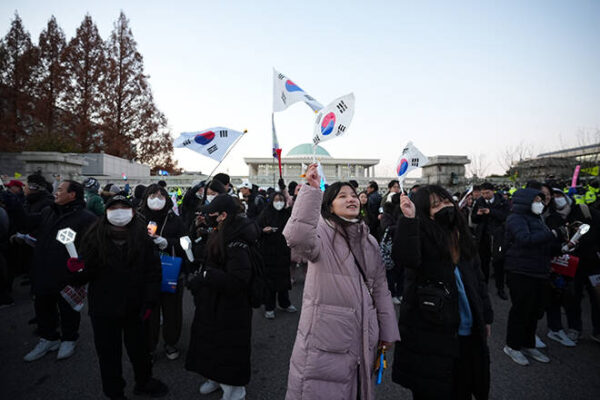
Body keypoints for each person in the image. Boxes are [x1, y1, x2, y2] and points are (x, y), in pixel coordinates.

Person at [283, 164, 400, 400]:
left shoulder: (369, 241)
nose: (351, 199)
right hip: (325, 338)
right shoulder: (321, 234)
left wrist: (387, 330)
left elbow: (380, 289)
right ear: (329, 206)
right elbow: (295, 238)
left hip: (364, 335)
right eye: (342, 196)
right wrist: (311, 191)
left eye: (353, 195)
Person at [391, 185, 493, 400]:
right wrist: (409, 219)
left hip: (467, 331)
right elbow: (405, 258)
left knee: (464, 388)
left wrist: (486, 316)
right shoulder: (419, 234)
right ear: (424, 211)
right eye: (436, 205)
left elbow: (478, 281)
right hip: (431, 333)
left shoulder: (462, 236)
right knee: (434, 390)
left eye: (447, 202)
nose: (445, 208)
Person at [73, 195, 168, 399]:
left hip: (136, 307)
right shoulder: (93, 237)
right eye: (113, 207)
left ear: (132, 212)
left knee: (140, 351)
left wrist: (150, 301)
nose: (118, 212)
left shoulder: (142, 237)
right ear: (106, 212)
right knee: (108, 355)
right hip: (104, 309)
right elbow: (83, 275)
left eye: (123, 207)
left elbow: (153, 272)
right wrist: (77, 269)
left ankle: (144, 382)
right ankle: (114, 392)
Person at [186, 194, 259, 400]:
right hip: (213, 302)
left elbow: (238, 280)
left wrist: (207, 275)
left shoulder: (238, 240)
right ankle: (215, 378)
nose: (208, 219)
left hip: (231, 307)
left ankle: (234, 391)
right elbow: (210, 256)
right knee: (211, 344)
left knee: (228, 349)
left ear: (224, 215)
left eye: (212, 215)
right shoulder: (222, 230)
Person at [15, 181, 97, 361]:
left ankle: (69, 338)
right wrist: (14, 203)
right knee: (43, 306)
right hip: (42, 270)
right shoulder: (47, 212)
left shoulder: (86, 218)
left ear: (72, 195)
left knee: (68, 308)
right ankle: (48, 338)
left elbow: (92, 247)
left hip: (67, 275)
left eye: (60, 189)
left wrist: (82, 266)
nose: (56, 192)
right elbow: (27, 222)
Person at [503, 188, 560, 366]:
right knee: (521, 310)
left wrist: (560, 246)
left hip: (539, 270)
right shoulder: (515, 218)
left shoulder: (538, 218)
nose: (540, 203)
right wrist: (551, 234)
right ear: (526, 201)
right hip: (520, 271)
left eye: (541, 200)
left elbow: (542, 242)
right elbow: (524, 239)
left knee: (535, 310)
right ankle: (512, 346)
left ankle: (528, 343)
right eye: (536, 200)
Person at [138, 183, 186, 361]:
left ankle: (171, 342)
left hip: (170, 269)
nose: (156, 199)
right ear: (145, 198)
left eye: (160, 196)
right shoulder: (138, 218)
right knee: (149, 310)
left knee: (172, 310)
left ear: (167, 199)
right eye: (152, 196)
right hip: (145, 272)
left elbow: (185, 242)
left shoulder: (175, 219)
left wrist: (168, 242)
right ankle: (149, 346)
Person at [546, 188, 600, 344]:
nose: (557, 199)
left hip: (593, 262)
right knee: (572, 297)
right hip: (569, 264)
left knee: (596, 297)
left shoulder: (583, 210)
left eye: (559, 195)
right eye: (554, 196)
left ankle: (597, 330)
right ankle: (574, 328)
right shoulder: (552, 217)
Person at [256, 192, 296, 319]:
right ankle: (269, 307)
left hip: (283, 251)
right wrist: (263, 230)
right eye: (276, 200)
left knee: (283, 279)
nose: (279, 202)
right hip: (268, 252)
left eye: (281, 200)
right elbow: (256, 229)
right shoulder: (265, 214)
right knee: (269, 282)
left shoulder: (287, 214)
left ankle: (285, 303)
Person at [471, 182, 510, 300]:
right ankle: (484, 286)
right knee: (484, 262)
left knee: (498, 262)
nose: (485, 195)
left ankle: (500, 288)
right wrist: (478, 214)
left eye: (487, 193)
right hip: (483, 236)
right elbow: (474, 219)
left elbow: (506, 216)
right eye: (482, 193)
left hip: (498, 235)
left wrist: (490, 212)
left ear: (493, 191)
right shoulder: (479, 202)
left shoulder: (502, 201)